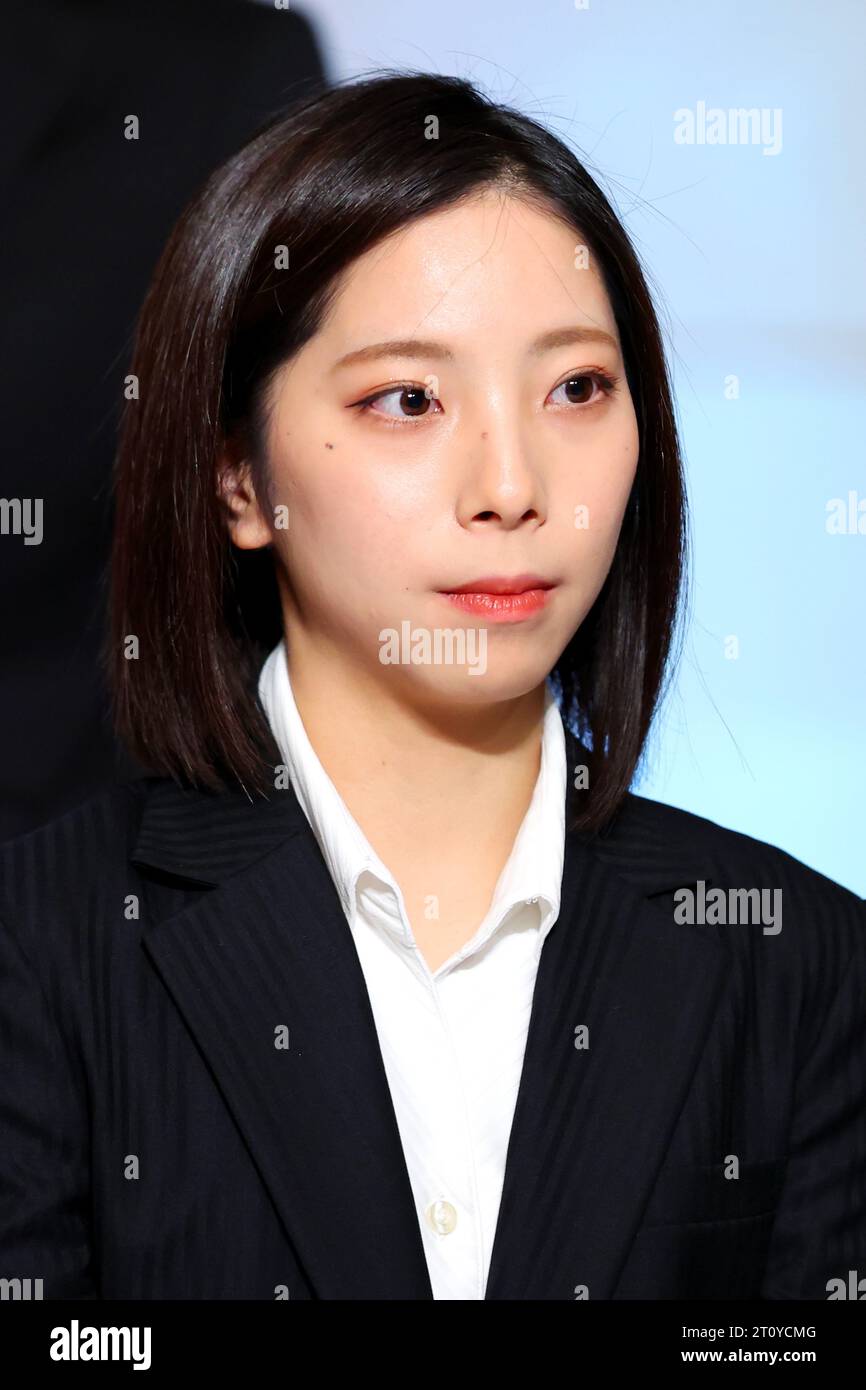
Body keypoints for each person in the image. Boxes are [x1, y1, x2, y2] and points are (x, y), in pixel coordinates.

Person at [0, 71, 863, 1302]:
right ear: (238, 477)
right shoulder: (39, 956)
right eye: (407, 398)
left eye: (575, 388)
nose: (510, 483)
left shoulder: (800, 963)